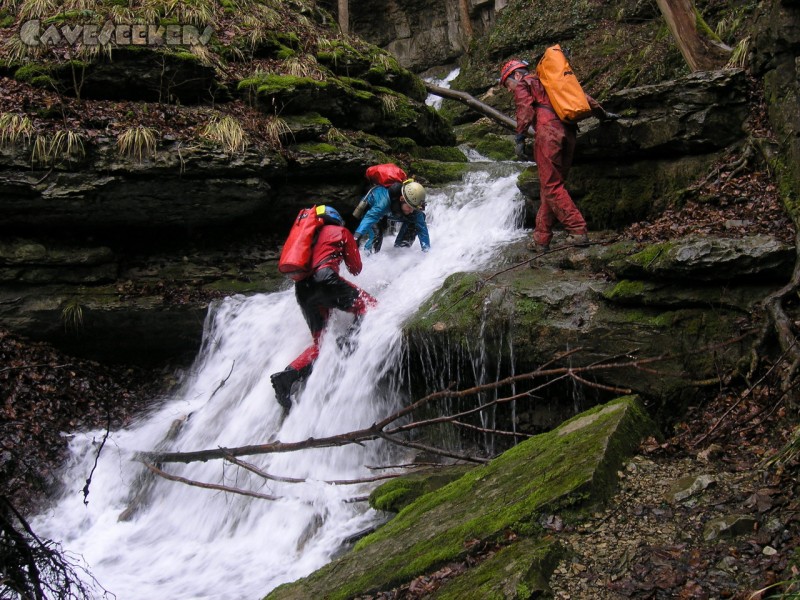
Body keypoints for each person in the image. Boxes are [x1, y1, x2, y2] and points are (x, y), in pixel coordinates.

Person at [499, 58, 616, 252]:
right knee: (551, 187)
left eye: (508, 84)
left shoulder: (525, 83)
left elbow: (525, 110)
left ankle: (578, 230)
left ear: (517, 75)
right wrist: (603, 115)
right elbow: (583, 97)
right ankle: (541, 239)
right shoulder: (551, 81)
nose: (509, 89)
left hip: (548, 134)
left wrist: (520, 138)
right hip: (568, 134)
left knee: (551, 187)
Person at [270, 205, 377, 411]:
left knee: (321, 342)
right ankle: (350, 341)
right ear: (335, 219)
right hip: (325, 280)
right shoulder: (341, 232)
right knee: (371, 306)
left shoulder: (306, 240)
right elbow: (356, 269)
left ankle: (287, 376)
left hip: (302, 290)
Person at [353, 180, 430, 253]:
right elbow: (370, 218)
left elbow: (422, 229)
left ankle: (399, 250)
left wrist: (426, 251)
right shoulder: (383, 203)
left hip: (391, 213)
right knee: (377, 234)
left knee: (416, 219)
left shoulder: (412, 205)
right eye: (409, 207)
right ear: (402, 199)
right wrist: (356, 236)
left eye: (414, 208)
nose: (411, 211)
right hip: (371, 208)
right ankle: (369, 257)